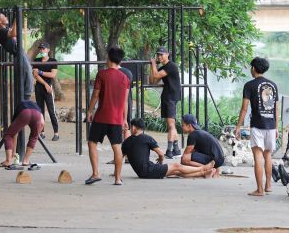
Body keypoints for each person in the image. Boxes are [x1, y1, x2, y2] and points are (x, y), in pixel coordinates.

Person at [235, 57, 279, 196]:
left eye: (251, 67)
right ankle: (268, 186)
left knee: (258, 156)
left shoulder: (249, 85)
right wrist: (277, 127)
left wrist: (238, 126)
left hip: (257, 125)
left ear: (254, 68)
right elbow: (276, 109)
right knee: (268, 155)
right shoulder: (273, 85)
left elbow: (244, 108)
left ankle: (260, 190)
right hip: (271, 125)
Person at [86, 47, 130, 186]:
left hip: (101, 117)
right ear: (120, 60)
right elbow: (125, 101)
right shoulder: (125, 78)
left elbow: (95, 95)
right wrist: (124, 119)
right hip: (117, 119)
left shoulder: (102, 74)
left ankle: (95, 173)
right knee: (117, 146)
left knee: (92, 143)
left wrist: (89, 110)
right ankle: (117, 178)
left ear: (108, 58)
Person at [122, 118, 215, 179]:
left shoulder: (126, 142)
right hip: (148, 170)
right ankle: (203, 168)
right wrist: (161, 161)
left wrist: (116, 174)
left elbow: (119, 157)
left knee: (177, 172)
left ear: (133, 127)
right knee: (176, 166)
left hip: (141, 172)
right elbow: (161, 154)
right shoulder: (147, 138)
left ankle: (203, 174)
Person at [0, 11, 33, 100]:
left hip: (20, 55)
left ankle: (24, 102)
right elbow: (13, 33)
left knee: (27, 78)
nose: (6, 17)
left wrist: (17, 17)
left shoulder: (5, 29)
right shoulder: (1, 31)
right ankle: (25, 103)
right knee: (27, 78)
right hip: (19, 55)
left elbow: (14, 31)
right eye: (4, 16)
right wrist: (17, 17)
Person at [149, 47, 181, 158]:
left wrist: (153, 64)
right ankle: (176, 150)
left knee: (171, 125)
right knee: (171, 124)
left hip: (171, 97)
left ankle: (169, 151)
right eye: (158, 55)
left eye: (161, 54)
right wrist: (152, 66)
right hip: (168, 97)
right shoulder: (164, 67)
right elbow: (152, 81)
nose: (159, 57)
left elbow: (157, 75)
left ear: (167, 54)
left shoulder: (171, 66)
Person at [0, 100, 44, 169]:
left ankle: (8, 160)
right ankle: (26, 160)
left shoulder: (20, 106)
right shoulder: (37, 107)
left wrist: (13, 155)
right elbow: (42, 123)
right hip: (37, 115)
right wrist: (36, 134)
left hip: (25, 113)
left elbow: (14, 134)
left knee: (8, 135)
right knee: (33, 137)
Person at [32, 42, 59, 141]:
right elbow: (35, 75)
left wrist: (40, 72)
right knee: (40, 111)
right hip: (40, 87)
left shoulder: (53, 61)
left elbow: (52, 75)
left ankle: (56, 133)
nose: (41, 51)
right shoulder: (36, 61)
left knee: (51, 111)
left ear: (48, 50)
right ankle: (42, 132)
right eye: (40, 49)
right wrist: (45, 84)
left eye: (43, 49)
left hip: (49, 89)